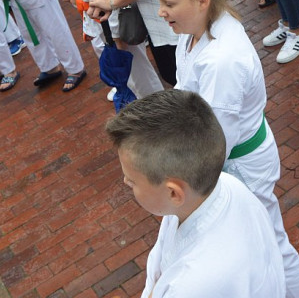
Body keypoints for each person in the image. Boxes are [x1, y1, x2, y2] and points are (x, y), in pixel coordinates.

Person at [155, 0, 299, 297]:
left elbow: (216, 138)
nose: (161, 12)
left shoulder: (223, 59)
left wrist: (191, 178)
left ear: (201, 0)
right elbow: (186, 91)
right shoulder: (196, 31)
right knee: (259, 236)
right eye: (160, 2)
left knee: (270, 238)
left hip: (241, 161)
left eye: (168, 3)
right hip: (233, 153)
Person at [105, 90, 286, 297]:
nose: (125, 181)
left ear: (174, 194)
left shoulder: (191, 285)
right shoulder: (225, 185)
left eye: (132, 181)